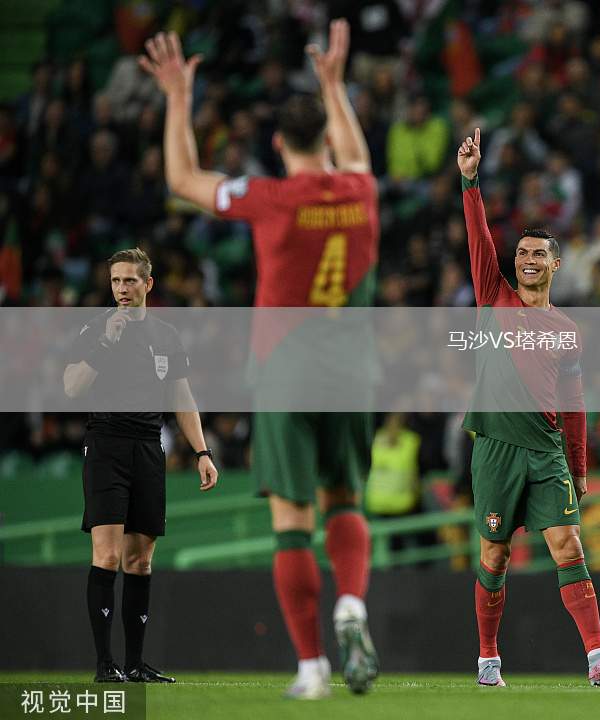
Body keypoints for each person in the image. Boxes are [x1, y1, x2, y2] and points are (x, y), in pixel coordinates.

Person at [139, 21, 379, 697]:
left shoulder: (268, 199)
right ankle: (352, 603)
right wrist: (335, 87)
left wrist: (178, 97)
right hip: (352, 371)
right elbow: (356, 157)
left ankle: (311, 668)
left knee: (292, 522)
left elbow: (183, 178)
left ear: (278, 144)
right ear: (326, 138)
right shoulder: (360, 193)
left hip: (286, 372)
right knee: (345, 500)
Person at [457, 127, 600, 688]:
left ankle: (598, 658)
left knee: (569, 545)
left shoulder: (567, 330)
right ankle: (488, 661)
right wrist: (470, 182)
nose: (527, 260)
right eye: (522, 253)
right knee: (494, 556)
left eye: (538, 253)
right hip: (496, 448)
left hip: (547, 452)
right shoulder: (494, 297)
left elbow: (575, 404)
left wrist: (579, 466)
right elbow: (478, 238)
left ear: (556, 265)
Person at [63, 247, 219, 683]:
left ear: (148, 284)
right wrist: (104, 344)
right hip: (106, 445)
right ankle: (104, 665)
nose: (121, 288)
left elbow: (182, 398)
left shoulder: (166, 335)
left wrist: (203, 452)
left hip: (149, 447)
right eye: (115, 281)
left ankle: (134, 664)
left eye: (130, 280)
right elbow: (72, 387)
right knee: (108, 554)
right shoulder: (95, 329)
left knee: (141, 561)